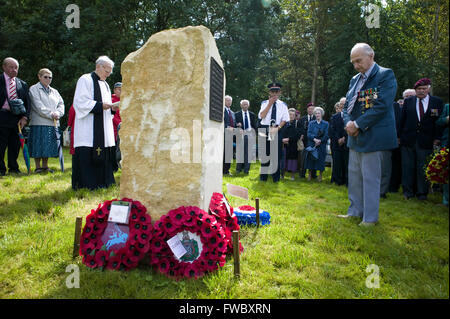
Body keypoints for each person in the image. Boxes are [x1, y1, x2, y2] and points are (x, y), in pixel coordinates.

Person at [338, 43, 398, 226]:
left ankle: (370, 218)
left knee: (371, 179)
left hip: (373, 136)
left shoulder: (385, 75)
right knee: (354, 176)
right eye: (353, 62)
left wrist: (357, 124)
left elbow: (381, 106)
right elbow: (348, 104)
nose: (356, 65)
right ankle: (355, 211)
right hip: (354, 136)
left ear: (371, 56)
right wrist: (348, 122)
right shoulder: (355, 79)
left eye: (359, 61)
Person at [71, 56, 119, 190]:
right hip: (88, 129)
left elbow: (106, 107)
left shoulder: (105, 85)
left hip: (103, 128)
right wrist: (100, 105)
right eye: (107, 71)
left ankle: (105, 182)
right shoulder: (85, 79)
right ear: (99, 66)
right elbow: (80, 102)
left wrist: (112, 109)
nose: (108, 75)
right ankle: (87, 185)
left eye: (110, 72)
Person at [399, 78, 443, 201]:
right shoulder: (408, 101)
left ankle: (422, 193)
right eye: (418, 89)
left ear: (428, 89)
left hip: (427, 140)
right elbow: (402, 120)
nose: (421, 91)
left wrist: (437, 138)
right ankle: (408, 192)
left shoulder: (437, 102)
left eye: (424, 89)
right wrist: (399, 136)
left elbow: (438, 122)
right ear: (415, 90)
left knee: (422, 167)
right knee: (407, 167)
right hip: (408, 139)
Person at [28, 68, 65, 173]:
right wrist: (51, 114)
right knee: (39, 144)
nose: (48, 79)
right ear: (39, 77)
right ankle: (38, 166)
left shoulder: (55, 91)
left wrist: (58, 113)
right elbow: (38, 106)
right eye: (45, 77)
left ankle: (45, 166)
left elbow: (61, 104)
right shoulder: (34, 89)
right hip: (39, 122)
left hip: (53, 123)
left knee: (47, 144)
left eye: (50, 77)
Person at [0, 57, 30, 176]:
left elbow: (28, 103)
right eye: (11, 67)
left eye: (16, 67)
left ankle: (13, 167)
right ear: (4, 67)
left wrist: (25, 118)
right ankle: (1, 169)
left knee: (15, 144)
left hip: (17, 119)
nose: (14, 70)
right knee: (1, 145)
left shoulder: (22, 84)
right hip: (2, 116)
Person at [258, 82, 289, 183]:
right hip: (265, 128)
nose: (275, 93)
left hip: (276, 129)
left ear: (280, 92)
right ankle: (263, 178)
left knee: (276, 155)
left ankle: (276, 178)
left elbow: (285, 119)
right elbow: (261, 116)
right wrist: (270, 104)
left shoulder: (283, 105)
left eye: (277, 91)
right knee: (264, 154)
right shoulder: (264, 103)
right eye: (273, 91)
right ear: (269, 92)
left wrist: (278, 128)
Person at [389, 88, 416, 193]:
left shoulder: (417, 108)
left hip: (411, 141)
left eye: (411, 96)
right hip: (396, 141)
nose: (408, 98)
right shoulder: (396, 108)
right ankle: (393, 186)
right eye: (406, 97)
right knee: (395, 165)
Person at [304, 107, 329, 182]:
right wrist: (314, 139)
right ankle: (310, 175)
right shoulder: (311, 123)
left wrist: (320, 141)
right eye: (316, 113)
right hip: (312, 144)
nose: (317, 115)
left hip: (321, 145)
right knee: (310, 160)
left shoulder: (326, 124)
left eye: (319, 113)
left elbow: (327, 134)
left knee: (321, 160)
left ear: (322, 114)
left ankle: (320, 176)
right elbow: (308, 133)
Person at [235, 99, 257, 174]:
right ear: (241, 105)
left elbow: (254, 125)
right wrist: (237, 125)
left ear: (248, 105)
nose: (245, 106)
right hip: (241, 135)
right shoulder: (237, 114)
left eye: (246, 104)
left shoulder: (252, 114)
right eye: (243, 104)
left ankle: (246, 170)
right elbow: (234, 124)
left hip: (250, 135)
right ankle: (238, 169)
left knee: (249, 153)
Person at [329, 101, 348, 186]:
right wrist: (338, 139)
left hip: (347, 143)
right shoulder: (334, 117)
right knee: (337, 163)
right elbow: (332, 129)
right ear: (339, 106)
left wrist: (344, 137)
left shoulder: (350, 116)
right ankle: (337, 180)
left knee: (346, 163)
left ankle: (346, 180)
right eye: (341, 104)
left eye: (344, 104)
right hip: (336, 144)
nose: (343, 106)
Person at [298, 103, 316, 178]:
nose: (311, 110)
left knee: (313, 157)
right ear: (307, 109)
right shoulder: (302, 119)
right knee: (303, 158)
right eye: (309, 109)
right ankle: (302, 174)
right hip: (304, 141)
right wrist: (300, 135)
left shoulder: (316, 118)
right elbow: (298, 129)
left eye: (312, 109)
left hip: (313, 142)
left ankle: (313, 174)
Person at [436, 103, 449, 206]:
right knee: (446, 172)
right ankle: (446, 200)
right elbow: (438, 122)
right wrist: (446, 119)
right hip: (447, 143)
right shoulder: (447, 107)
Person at [282, 108, 300, 180]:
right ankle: (282, 175)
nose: (291, 116)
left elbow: (297, 135)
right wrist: (282, 139)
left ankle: (292, 176)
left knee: (292, 161)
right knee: (283, 160)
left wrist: (289, 139)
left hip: (293, 145)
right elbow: (281, 132)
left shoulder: (297, 124)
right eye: (290, 114)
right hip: (284, 144)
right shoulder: (284, 123)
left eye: (293, 115)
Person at [223, 95, 235, 176]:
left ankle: (227, 170)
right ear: (224, 101)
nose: (229, 102)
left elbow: (233, 124)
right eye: (227, 100)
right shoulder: (222, 111)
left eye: (230, 100)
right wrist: (227, 128)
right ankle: (222, 170)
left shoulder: (232, 113)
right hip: (223, 135)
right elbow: (221, 123)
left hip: (231, 136)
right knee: (224, 153)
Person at [111, 82, 122, 171]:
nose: (121, 92)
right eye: (119, 89)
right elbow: (112, 116)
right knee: (114, 148)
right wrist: (119, 123)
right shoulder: (111, 100)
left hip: (123, 128)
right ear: (115, 90)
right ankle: (114, 166)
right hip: (114, 129)